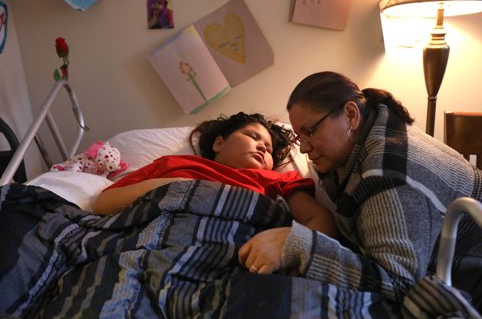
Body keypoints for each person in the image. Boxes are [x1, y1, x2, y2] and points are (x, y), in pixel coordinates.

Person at [238, 71, 482, 307]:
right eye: (299, 137)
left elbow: (397, 283)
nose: (304, 148)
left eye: (311, 132)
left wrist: (298, 244)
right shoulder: (380, 126)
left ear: (351, 114)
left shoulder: (387, 173)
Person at [93, 112, 337, 271]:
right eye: (253, 137)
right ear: (219, 143)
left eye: (269, 149)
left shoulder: (277, 180)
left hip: (236, 260)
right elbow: (103, 204)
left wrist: (289, 242)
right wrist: (172, 186)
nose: (262, 148)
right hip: (149, 249)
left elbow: (321, 221)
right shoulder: (175, 164)